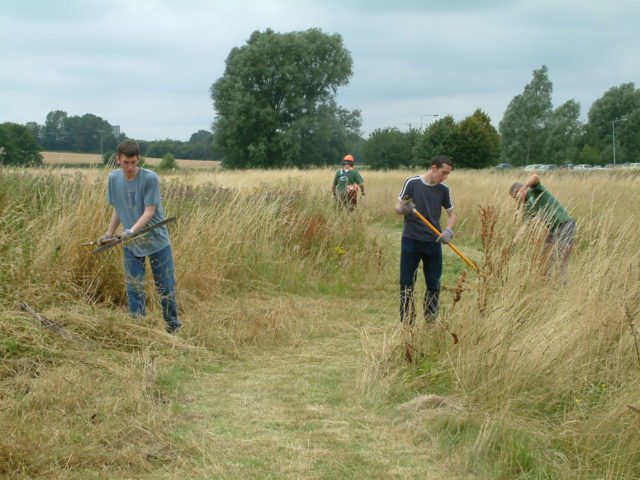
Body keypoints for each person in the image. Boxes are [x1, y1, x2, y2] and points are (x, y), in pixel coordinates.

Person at [100, 139, 181, 333]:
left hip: (156, 240)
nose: (130, 167)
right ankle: (139, 329)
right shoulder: (113, 179)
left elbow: (150, 211)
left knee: (166, 287)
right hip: (131, 242)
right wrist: (109, 233)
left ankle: (173, 328)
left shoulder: (149, 179)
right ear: (118, 159)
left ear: (138, 160)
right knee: (134, 287)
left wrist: (131, 230)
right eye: (126, 162)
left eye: (134, 162)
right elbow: (119, 208)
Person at [395, 155, 457, 324]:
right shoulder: (412, 183)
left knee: (433, 284)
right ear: (434, 168)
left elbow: (452, 214)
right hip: (411, 241)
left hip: (433, 242)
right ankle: (407, 322)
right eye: (443, 173)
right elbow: (398, 208)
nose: (445, 177)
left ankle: (430, 321)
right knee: (407, 284)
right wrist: (405, 209)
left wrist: (448, 231)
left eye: (447, 174)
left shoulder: (443, 190)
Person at [509, 173, 575, 276]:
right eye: (514, 199)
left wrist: (524, 187)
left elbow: (535, 177)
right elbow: (524, 227)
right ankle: (547, 281)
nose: (517, 201)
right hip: (553, 230)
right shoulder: (527, 208)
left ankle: (562, 285)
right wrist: (513, 244)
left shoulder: (534, 190)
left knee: (561, 258)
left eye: (515, 197)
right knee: (544, 256)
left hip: (564, 223)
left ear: (520, 191)